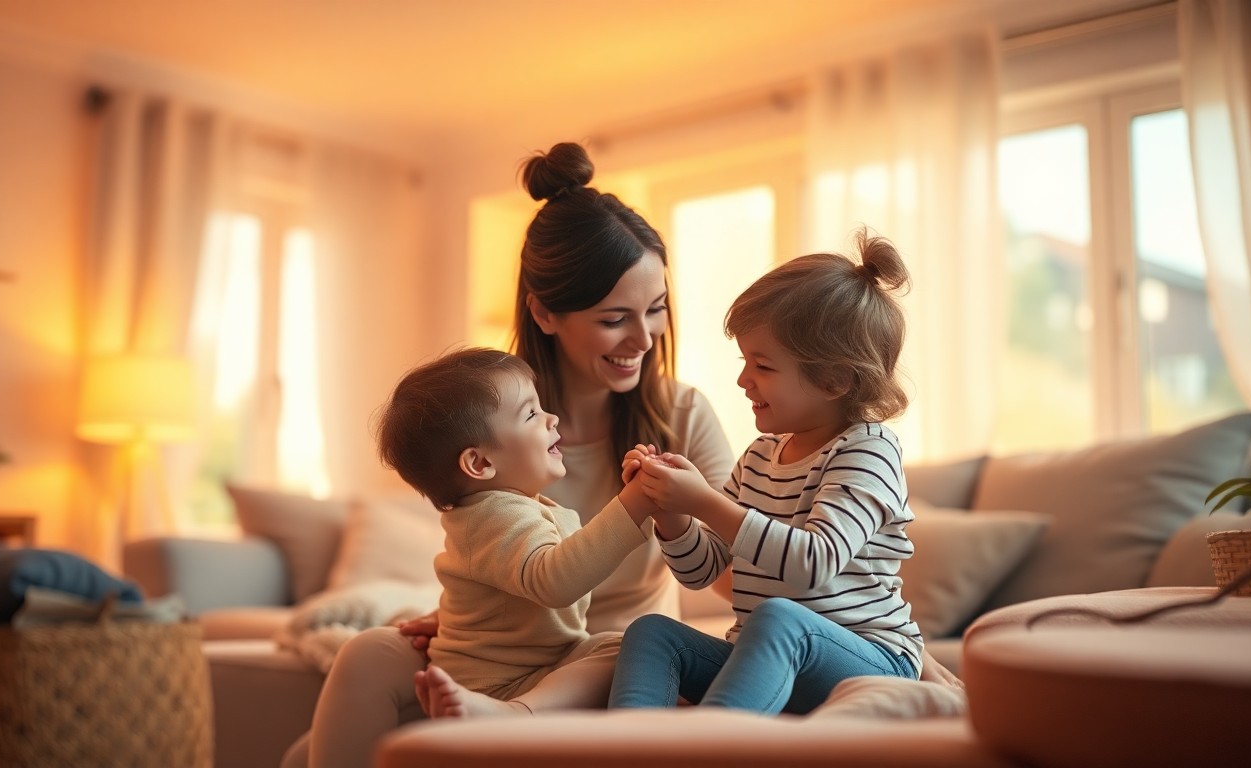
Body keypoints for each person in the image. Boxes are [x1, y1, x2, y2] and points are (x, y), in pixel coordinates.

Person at [292, 142, 736, 768]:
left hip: (607, 662)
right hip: (505, 657)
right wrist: (465, 619)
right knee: (338, 699)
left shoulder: (681, 415)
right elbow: (492, 553)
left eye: (657, 309)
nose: (643, 338)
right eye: (615, 319)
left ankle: (512, 718)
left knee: (625, 645)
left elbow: (737, 576)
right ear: (544, 313)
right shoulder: (494, 417)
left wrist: (688, 515)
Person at [608, 230, 923, 714]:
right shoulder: (759, 456)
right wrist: (671, 514)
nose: (743, 379)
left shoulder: (869, 452)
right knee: (652, 632)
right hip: (768, 657)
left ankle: (714, 744)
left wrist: (704, 501)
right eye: (744, 361)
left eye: (763, 366)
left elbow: (813, 563)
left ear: (834, 379)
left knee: (780, 618)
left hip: (872, 661)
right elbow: (703, 571)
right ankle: (628, 744)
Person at [375, 347, 660, 718]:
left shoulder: (511, 509)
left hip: (536, 667)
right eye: (531, 414)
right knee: (625, 648)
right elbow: (556, 581)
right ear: (480, 462)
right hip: (499, 681)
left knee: (625, 646)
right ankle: (517, 713)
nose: (552, 418)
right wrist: (632, 506)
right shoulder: (495, 514)